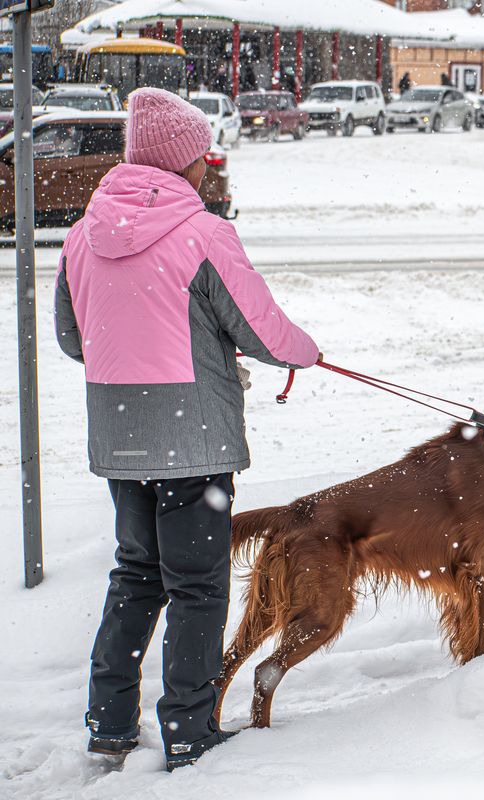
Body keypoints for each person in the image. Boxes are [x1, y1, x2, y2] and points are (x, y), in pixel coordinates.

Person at [54, 87, 319, 771]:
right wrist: (306, 352)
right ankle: (189, 732)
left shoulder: (83, 233)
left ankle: (109, 724)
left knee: (135, 575)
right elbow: (262, 330)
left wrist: (136, 359)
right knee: (198, 587)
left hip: (119, 437)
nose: (207, 166)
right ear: (182, 163)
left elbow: (70, 335)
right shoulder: (204, 234)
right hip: (193, 441)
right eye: (201, 155)